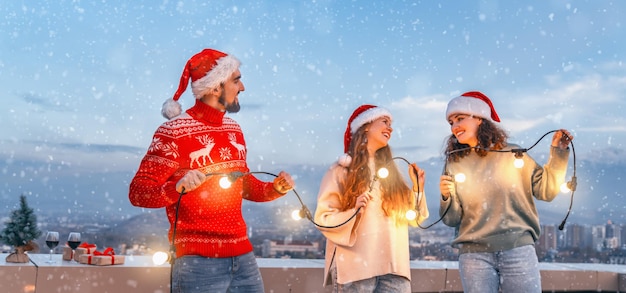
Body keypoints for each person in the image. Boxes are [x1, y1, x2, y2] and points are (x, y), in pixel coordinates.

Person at [128, 48, 295, 293]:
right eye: (236, 80)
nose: (243, 87)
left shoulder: (233, 129)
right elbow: (138, 193)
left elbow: (243, 184)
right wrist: (176, 188)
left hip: (243, 257)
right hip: (197, 263)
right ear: (216, 87)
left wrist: (273, 189)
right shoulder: (172, 132)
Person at [438, 91, 573, 293]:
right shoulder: (455, 162)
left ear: (480, 119)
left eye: (460, 118)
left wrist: (558, 152)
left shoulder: (513, 154)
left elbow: (546, 190)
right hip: (474, 255)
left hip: (517, 249)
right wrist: (446, 196)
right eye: (450, 122)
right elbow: (452, 219)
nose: (454, 126)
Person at [313, 104, 429, 293]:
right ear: (366, 125)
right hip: (356, 269)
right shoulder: (341, 170)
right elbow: (323, 218)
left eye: (391, 124)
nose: (390, 128)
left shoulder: (392, 175)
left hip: (394, 269)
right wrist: (353, 212)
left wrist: (418, 189)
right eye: (385, 121)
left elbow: (415, 218)